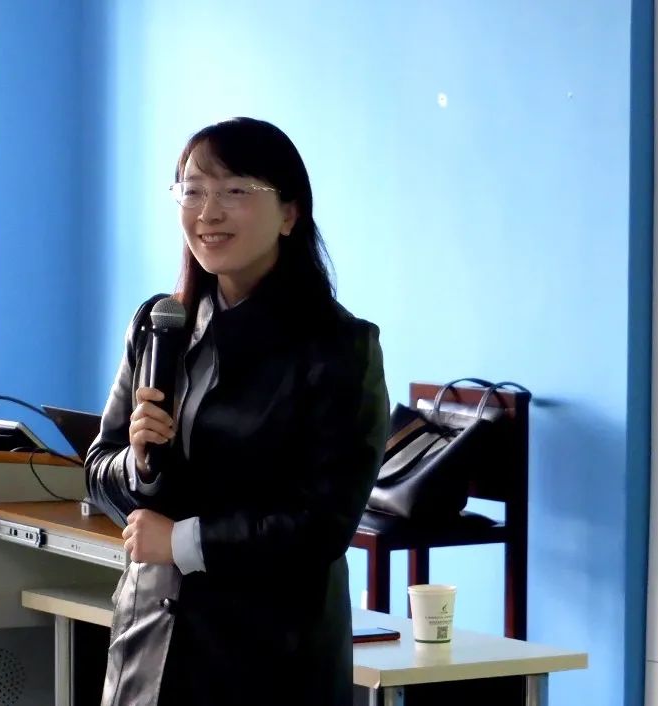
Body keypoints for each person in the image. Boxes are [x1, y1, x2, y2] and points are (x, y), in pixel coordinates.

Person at [85, 117, 389, 706]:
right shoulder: (160, 325)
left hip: (268, 660)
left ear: (289, 214)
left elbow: (324, 523)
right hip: (148, 645)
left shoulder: (336, 347)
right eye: (193, 191)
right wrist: (140, 465)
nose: (208, 212)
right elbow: (99, 467)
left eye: (234, 191)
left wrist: (183, 542)